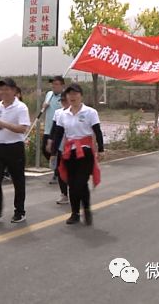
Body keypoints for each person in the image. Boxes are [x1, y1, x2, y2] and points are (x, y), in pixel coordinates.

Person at [51, 84, 105, 225]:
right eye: (69, 94)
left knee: (80, 183)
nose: (72, 97)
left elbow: (97, 131)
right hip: (69, 153)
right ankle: (75, 213)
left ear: (81, 95)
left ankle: (86, 209)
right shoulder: (63, 114)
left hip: (85, 151)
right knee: (72, 184)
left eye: (75, 94)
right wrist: (54, 152)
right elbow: (58, 135)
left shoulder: (90, 112)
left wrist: (101, 150)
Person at [0, 78, 30, 224]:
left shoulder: (21, 107)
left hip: (15, 147)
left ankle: (19, 211)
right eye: (1, 89)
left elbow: (23, 128)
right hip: (0, 147)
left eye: (6, 89)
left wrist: (3, 124)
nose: (3, 92)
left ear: (14, 91)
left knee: (18, 180)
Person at [46, 90, 69, 204]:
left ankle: (77, 192)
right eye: (62, 101)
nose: (63, 103)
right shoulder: (58, 113)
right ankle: (64, 194)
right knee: (61, 171)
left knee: (73, 172)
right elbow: (54, 130)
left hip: (73, 148)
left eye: (65, 100)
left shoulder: (77, 113)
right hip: (61, 147)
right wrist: (51, 142)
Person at [42, 76, 65, 185]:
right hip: (48, 128)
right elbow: (44, 108)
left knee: (55, 151)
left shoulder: (65, 97)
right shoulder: (49, 94)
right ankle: (57, 168)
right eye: (53, 84)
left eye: (56, 84)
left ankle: (58, 172)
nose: (54, 86)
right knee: (45, 149)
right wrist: (44, 106)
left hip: (58, 129)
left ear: (62, 86)